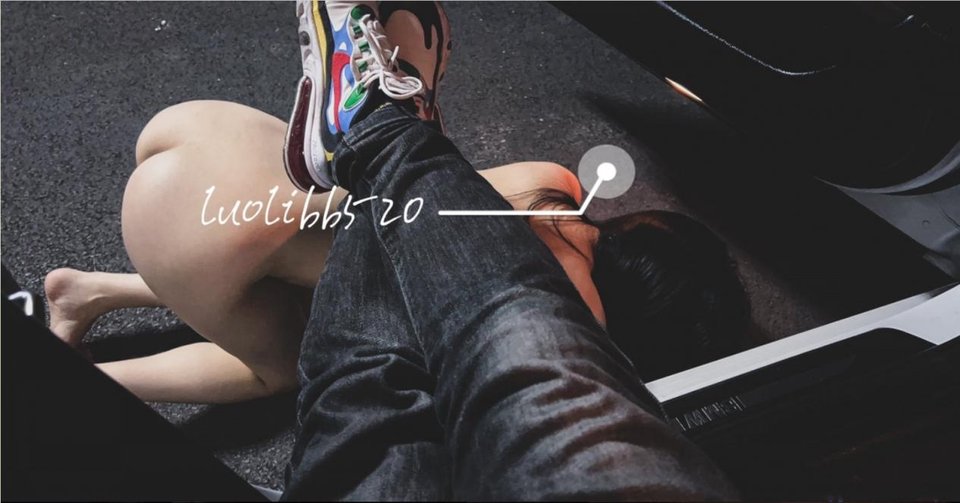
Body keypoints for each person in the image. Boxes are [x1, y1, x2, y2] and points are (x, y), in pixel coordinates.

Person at [44, 3, 747, 406]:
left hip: (206, 132)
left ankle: (378, 115)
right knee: (282, 367)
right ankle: (82, 386)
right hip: (184, 231)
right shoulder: (563, 315)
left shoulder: (555, 183)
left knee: (343, 239)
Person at [279, 0, 738, 499]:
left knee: (532, 357)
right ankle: (383, 135)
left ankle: (377, 126)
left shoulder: (558, 196)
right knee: (366, 406)